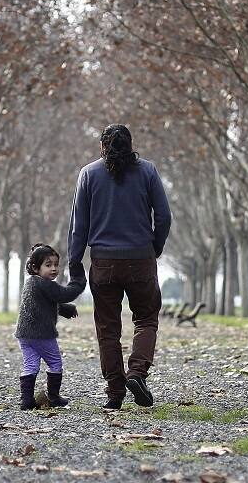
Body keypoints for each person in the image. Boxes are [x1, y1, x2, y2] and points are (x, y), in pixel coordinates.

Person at [67, 124, 172, 410]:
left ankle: (115, 392)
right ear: (130, 144)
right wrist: (155, 247)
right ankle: (137, 373)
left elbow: (79, 226)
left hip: (103, 263)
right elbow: (164, 216)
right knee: (146, 319)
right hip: (141, 260)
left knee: (108, 329)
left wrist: (75, 264)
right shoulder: (148, 171)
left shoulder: (88, 174)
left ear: (102, 146)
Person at [14, 243, 84, 410]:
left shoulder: (31, 283)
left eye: (56, 265)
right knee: (55, 363)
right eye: (48, 265)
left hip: (24, 334)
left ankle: (26, 400)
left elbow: (44, 304)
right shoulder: (45, 284)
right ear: (35, 267)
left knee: (31, 364)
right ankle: (53, 397)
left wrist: (66, 310)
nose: (53, 269)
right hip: (41, 334)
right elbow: (64, 294)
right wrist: (78, 282)